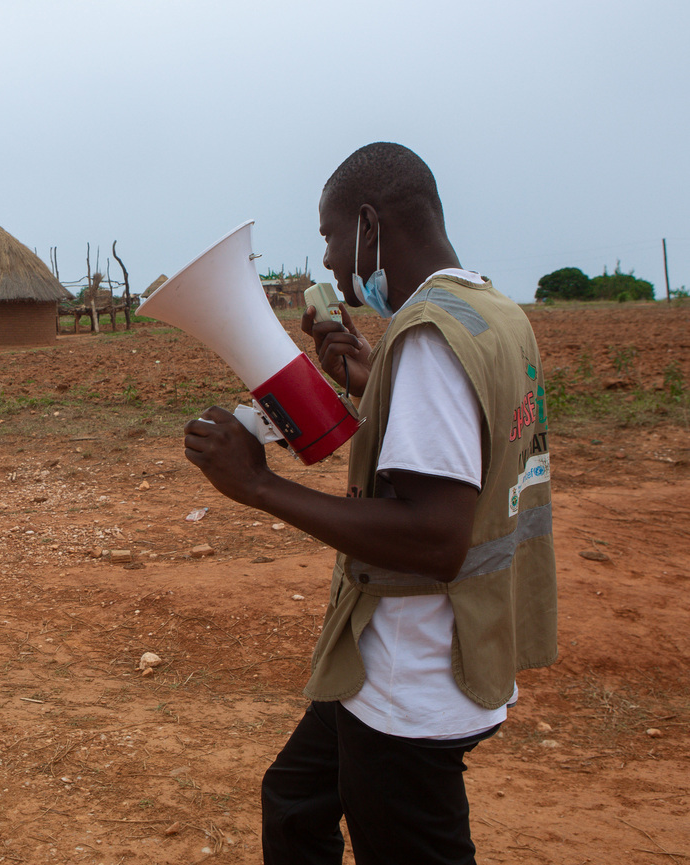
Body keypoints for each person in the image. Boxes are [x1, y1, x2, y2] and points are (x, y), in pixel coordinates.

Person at [183, 142, 556, 864]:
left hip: (412, 676)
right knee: (295, 801)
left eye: (330, 236)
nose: (327, 260)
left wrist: (259, 486)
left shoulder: (429, 342)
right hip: (412, 649)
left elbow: (434, 538)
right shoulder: (491, 312)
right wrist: (370, 377)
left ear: (368, 223)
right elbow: (462, 442)